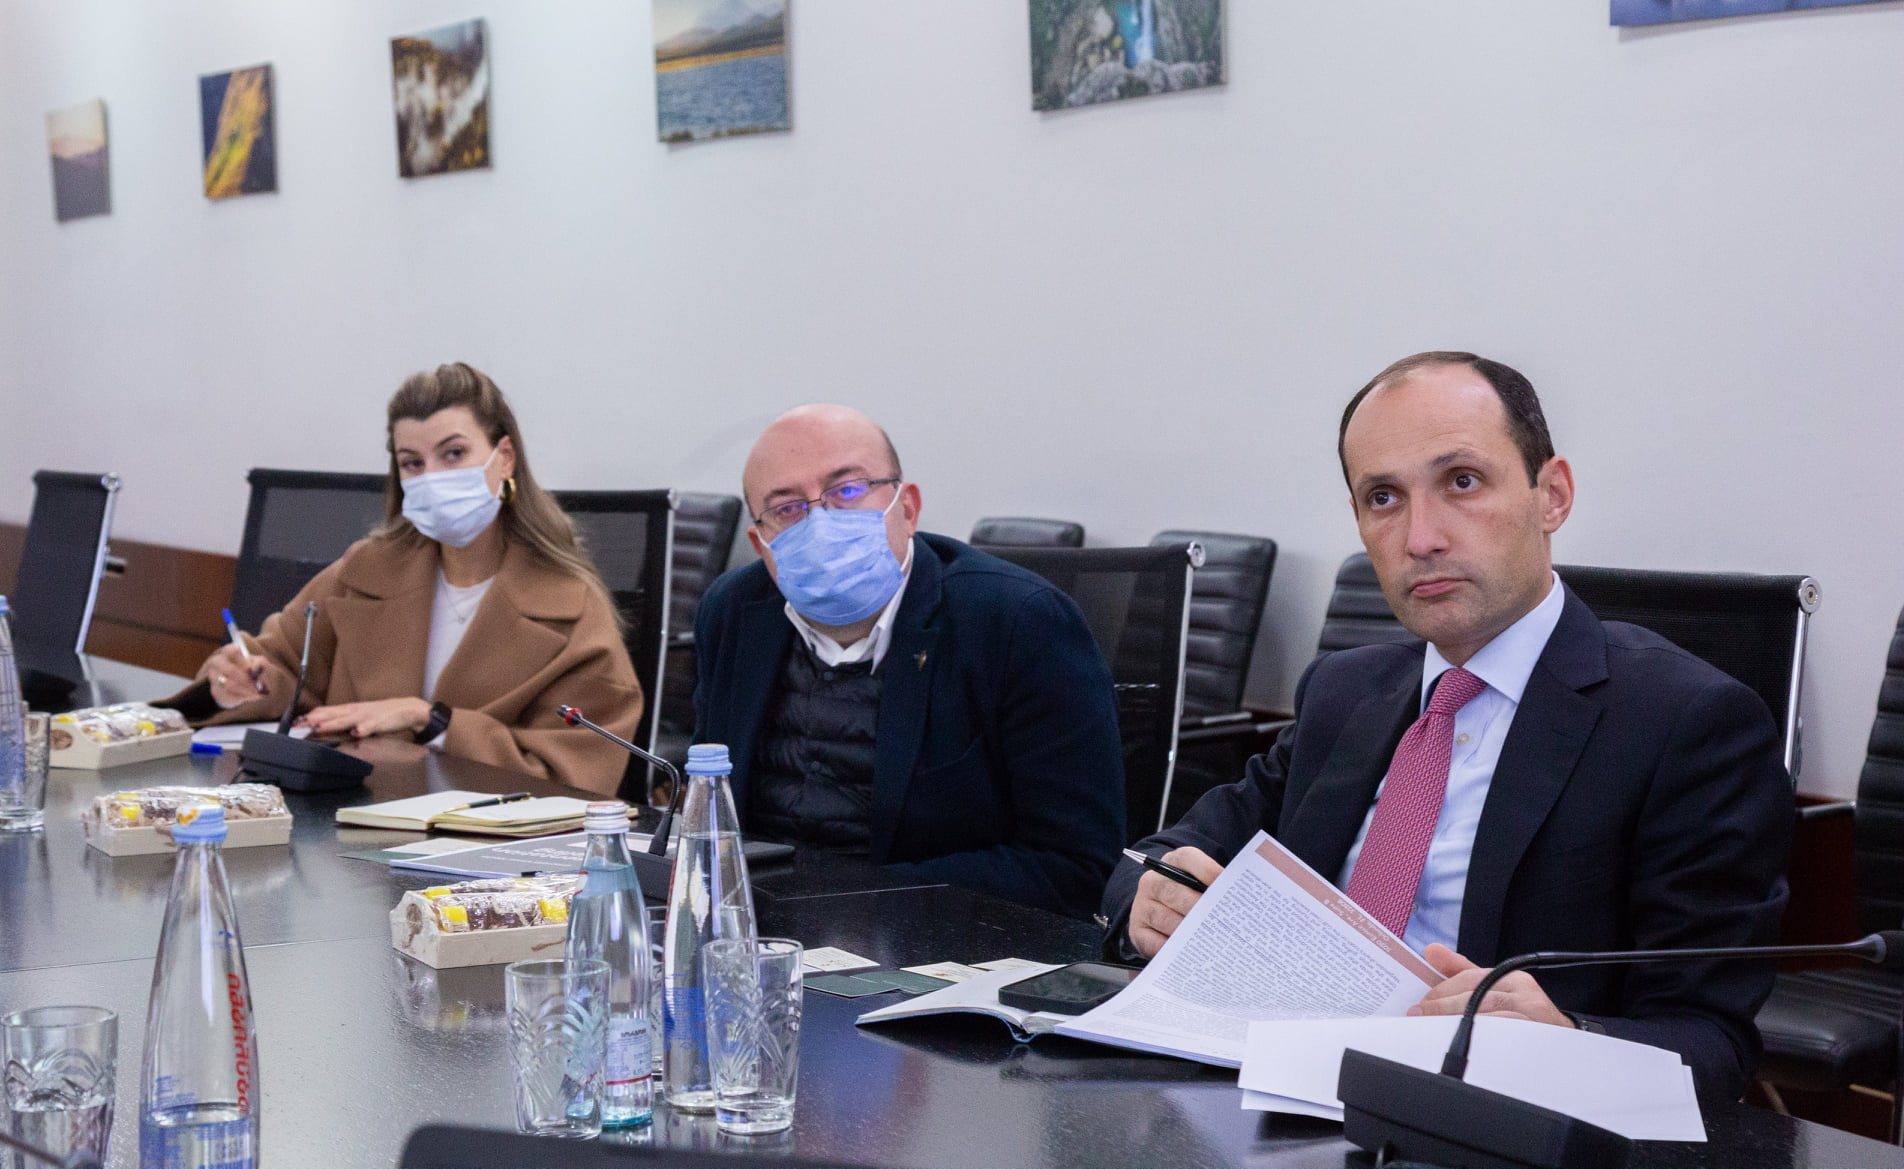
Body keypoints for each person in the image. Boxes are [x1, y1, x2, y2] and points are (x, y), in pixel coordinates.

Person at [1101, 352, 1792, 1099]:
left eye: (1462, 481)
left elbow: (1711, 1044)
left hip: (1483, 1117)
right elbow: (1161, 854)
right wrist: (1149, 895)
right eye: (1384, 497)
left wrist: (1568, 1039)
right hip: (1274, 1091)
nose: (1421, 537)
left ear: (1552, 496)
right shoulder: (1344, 690)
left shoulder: (1688, 723)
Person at [691, 404, 1125, 919]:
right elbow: (711, 805)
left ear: (908, 507)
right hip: (758, 933)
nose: (821, 522)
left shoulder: (1018, 622)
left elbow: (1077, 867)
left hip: (934, 938)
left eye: (848, 490)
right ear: (760, 543)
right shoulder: (734, 611)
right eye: (787, 508)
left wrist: (851, 904)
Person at [170, 362, 643, 794]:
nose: (432, 477)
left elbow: (574, 781)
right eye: (413, 463)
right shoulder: (366, 568)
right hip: (343, 823)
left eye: (453, 453)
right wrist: (237, 682)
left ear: (505, 457)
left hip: (478, 848)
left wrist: (432, 721)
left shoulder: (571, 608)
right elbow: (282, 667)